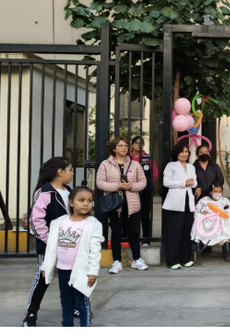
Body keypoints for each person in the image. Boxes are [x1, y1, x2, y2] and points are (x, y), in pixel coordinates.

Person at [41, 187, 104, 327]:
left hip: (81, 271)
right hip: (63, 270)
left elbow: (95, 251)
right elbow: (51, 248)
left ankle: (85, 326)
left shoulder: (93, 224)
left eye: (89, 201)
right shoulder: (58, 222)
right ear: (71, 202)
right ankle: (67, 326)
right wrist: (46, 267)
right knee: (65, 302)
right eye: (81, 200)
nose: (86, 204)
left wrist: (92, 272)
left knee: (81, 302)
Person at [22, 157, 74, 327]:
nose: (72, 174)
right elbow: (37, 221)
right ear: (60, 172)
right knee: (43, 278)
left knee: (72, 277)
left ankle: (75, 306)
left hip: (70, 245)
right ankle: (31, 313)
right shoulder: (44, 193)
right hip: (48, 247)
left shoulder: (70, 191)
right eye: (70, 170)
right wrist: (51, 242)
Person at [96, 136, 148, 274]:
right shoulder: (105, 165)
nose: (124, 148)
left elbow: (143, 182)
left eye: (125, 146)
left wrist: (131, 186)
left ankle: (137, 260)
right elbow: (100, 183)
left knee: (134, 232)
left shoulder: (135, 165)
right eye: (120, 146)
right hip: (114, 204)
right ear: (114, 148)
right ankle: (117, 261)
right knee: (116, 233)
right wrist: (117, 186)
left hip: (132, 204)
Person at [162, 142, 198, 270]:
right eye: (182, 151)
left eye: (186, 151)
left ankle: (185, 258)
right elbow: (166, 182)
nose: (185, 154)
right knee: (174, 232)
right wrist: (183, 183)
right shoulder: (171, 166)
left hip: (188, 202)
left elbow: (194, 183)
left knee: (186, 231)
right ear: (177, 153)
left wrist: (190, 183)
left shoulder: (191, 167)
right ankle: (173, 260)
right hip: (175, 203)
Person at [192, 182, 230, 258]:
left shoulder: (225, 201)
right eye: (215, 191)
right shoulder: (204, 200)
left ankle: (225, 246)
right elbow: (197, 209)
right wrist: (203, 211)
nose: (217, 194)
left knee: (228, 218)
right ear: (210, 192)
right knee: (198, 216)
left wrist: (223, 212)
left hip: (220, 223)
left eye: (220, 192)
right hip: (206, 223)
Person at [130, 136, 158, 247]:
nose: (138, 145)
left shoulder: (147, 158)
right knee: (131, 214)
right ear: (132, 145)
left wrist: (146, 184)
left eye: (141, 143)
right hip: (130, 190)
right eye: (136, 143)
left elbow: (154, 173)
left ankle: (146, 239)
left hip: (145, 191)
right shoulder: (128, 157)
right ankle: (131, 237)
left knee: (145, 215)